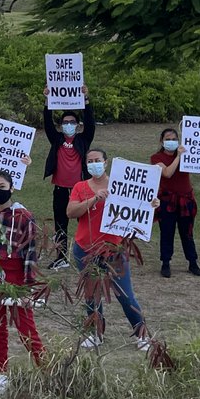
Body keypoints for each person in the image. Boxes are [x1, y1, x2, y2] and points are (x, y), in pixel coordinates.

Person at [66, 148, 156, 350]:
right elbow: (71, 212)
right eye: (90, 161)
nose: (94, 164)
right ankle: (96, 333)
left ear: (106, 163)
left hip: (113, 250)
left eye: (97, 160)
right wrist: (94, 199)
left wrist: (152, 204)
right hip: (85, 249)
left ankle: (142, 334)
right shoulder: (80, 187)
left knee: (125, 294)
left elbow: (139, 207)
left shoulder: (121, 186)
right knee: (91, 293)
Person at [0, 171, 45, 394]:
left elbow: (30, 255)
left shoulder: (24, 216)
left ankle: (46, 370)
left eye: (2, 185)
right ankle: (2, 373)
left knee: (26, 329)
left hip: (16, 278)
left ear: (11, 187)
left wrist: (27, 288)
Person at [42, 85, 94, 271]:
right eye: (65, 122)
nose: (68, 125)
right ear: (61, 124)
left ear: (77, 125)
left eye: (72, 122)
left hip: (80, 190)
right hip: (60, 190)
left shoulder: (83, 139)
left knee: (84, 224)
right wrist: (48, 101)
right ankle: (61, 257)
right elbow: (47, 123)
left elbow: (90, 122)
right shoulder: (56, 139)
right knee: (60, 224)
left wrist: (86, 100)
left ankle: (87, 255)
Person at [150, 129, 200, 278]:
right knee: (167, 232)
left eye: (174, 138)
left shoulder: (188, 155)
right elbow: (167, 173)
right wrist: (179, 156)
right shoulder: (156, 158)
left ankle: (193, 262)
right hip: (167, 200)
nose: (171, 141)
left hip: (186, 199)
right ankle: (165, 263)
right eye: (168, 138)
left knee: (187, 233)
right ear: (162, 141)